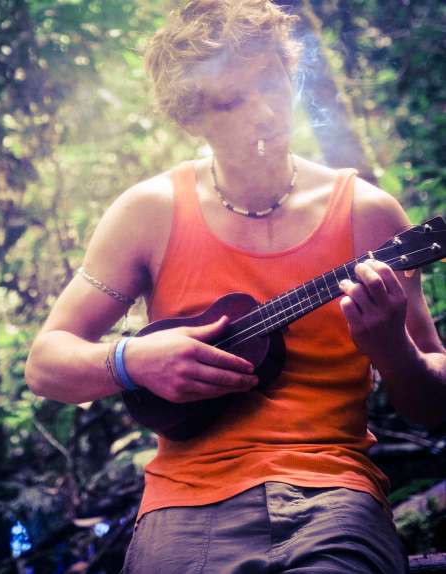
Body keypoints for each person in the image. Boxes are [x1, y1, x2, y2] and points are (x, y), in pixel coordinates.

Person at [25, 1, 446, 572]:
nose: (266, 112)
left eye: (271, 81)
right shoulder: (150, 212)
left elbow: (433, 402)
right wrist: (133, 361)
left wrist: (392, 350)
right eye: (231, 100)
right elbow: (46, 365)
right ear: (191, 117)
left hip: (335, 493)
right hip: (186, 500)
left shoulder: (368, 216)